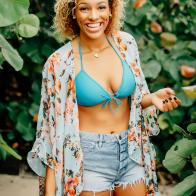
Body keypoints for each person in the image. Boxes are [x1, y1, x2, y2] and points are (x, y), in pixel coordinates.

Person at [27, 0, 181, 196]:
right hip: (88, 159)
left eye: (101, 7)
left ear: (111, 10)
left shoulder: (125, 44)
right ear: (73, 12)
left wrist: (152, 99)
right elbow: (52, 134)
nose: (93, 16)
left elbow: (134, 101)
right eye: (84, 8)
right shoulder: (60, 63)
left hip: (131, 152)